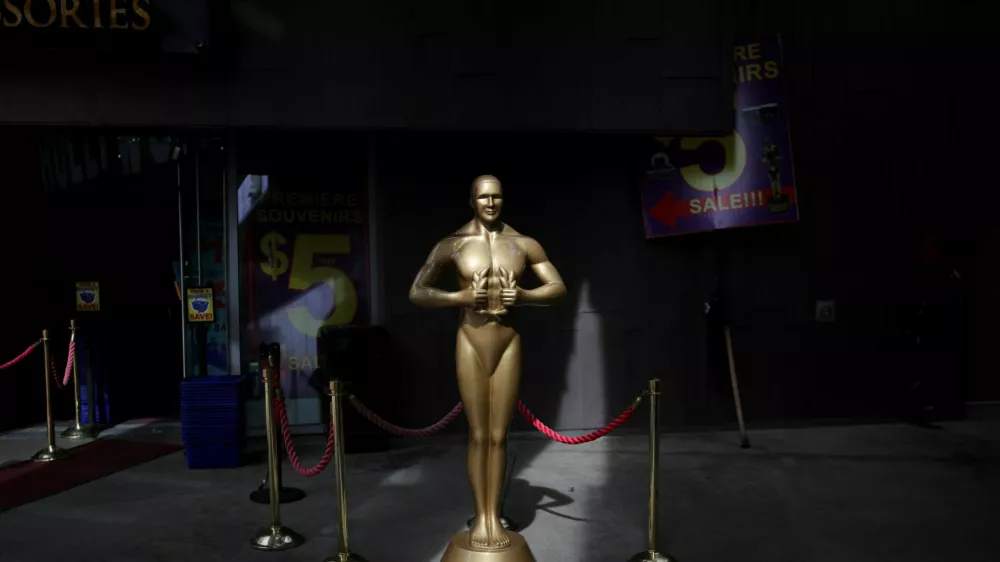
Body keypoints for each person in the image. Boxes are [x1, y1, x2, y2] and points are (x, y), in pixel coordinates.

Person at [409, 175, 566, 550]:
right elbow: (418, 292)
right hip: (471, 339)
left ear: (503, 199)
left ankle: (493, 515)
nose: (490, 203)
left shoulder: (522, 244)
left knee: (499, 435)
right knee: (478, 434)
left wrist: (525, 294)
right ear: (472, 201)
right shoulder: (454, 245)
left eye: (496, 196)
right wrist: (460, 297)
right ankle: (481, 516)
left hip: (508, 341)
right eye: (483, 197)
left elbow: (557, 287)